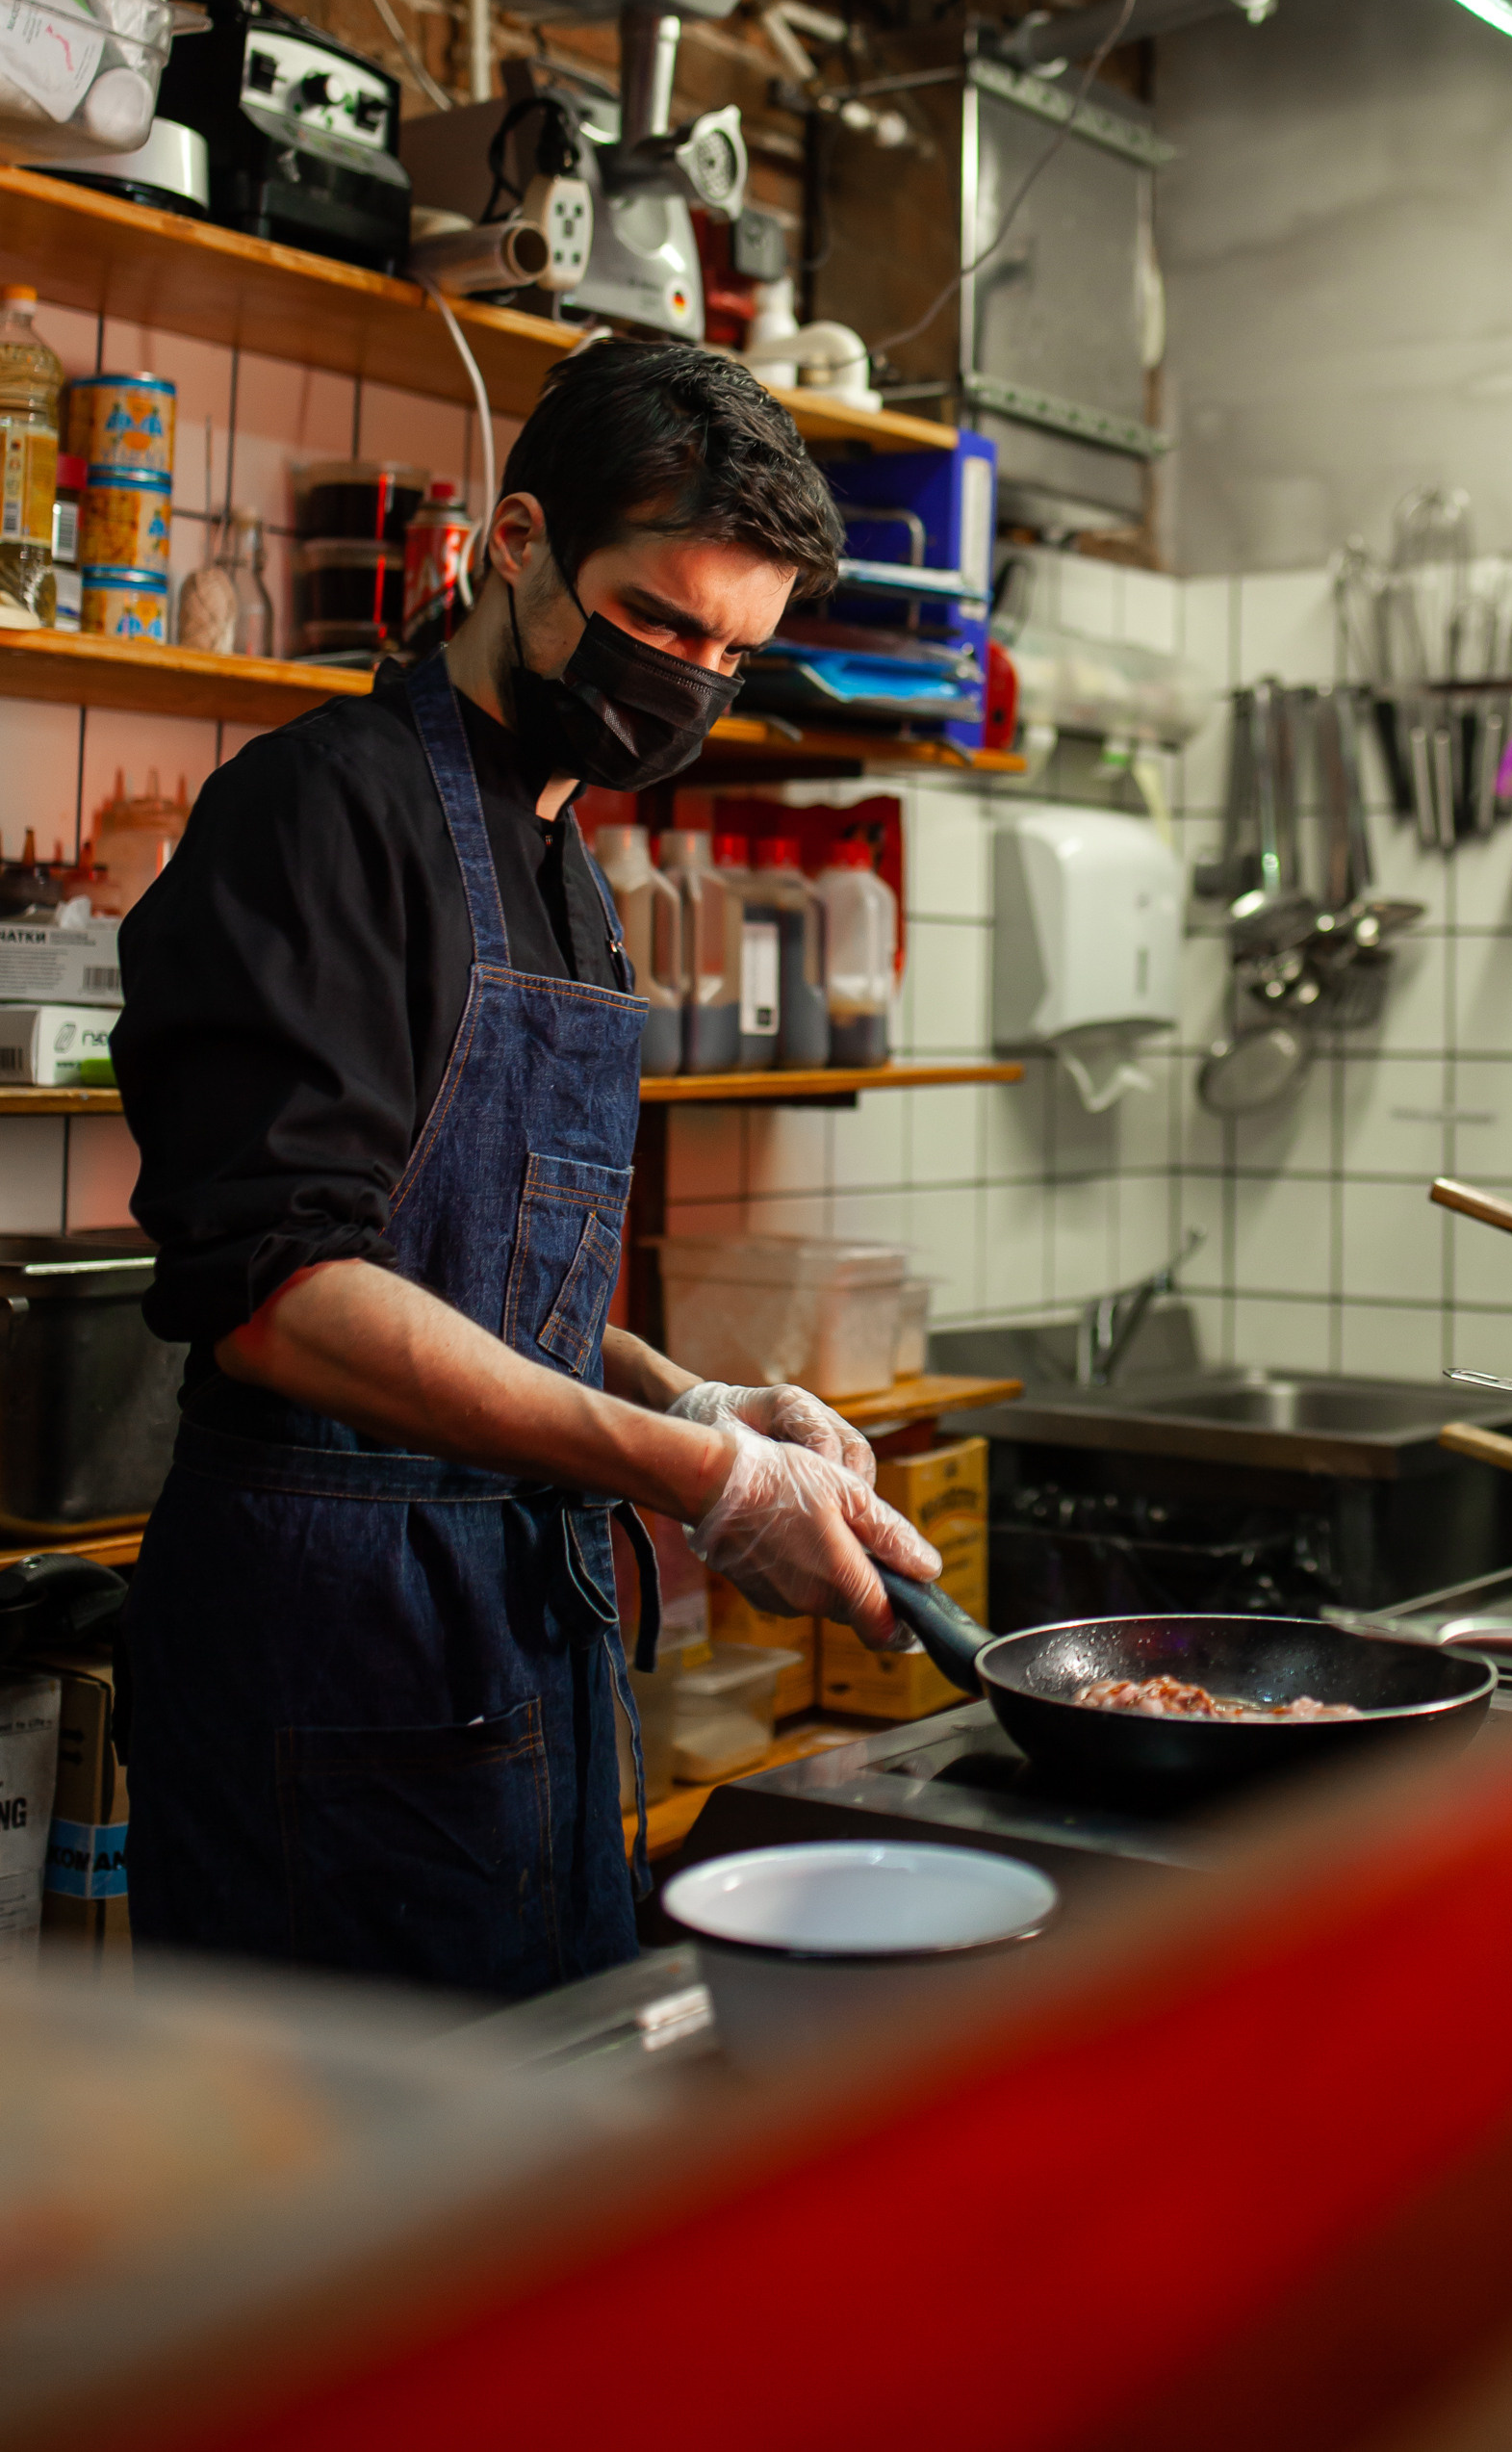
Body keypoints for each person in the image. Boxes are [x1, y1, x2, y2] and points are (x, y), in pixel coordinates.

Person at [115, 341, 941, 1997]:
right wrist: (692, 1482)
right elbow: (277, 1293)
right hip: (329, 1652)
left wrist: (696, 1403)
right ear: (514, 542)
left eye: (729, 653)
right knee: (362, 2217)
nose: (688, 681)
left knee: (536, 2155)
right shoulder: (319, 816)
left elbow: (484, 1285)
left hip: (518, 1644)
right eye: (654, 620)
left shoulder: (567, 868)